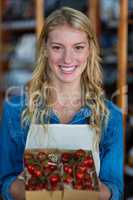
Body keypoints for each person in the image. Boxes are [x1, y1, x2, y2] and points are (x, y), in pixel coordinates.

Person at [0, 6, 123, 200]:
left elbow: (115, 188)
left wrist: (85, 191)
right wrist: (40, 194)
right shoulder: (15, 111)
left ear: (89, 50)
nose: (68, 58)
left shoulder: (110, 115)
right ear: (45, 50)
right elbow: (5, 181)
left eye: (78, 47)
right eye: (57, 47)